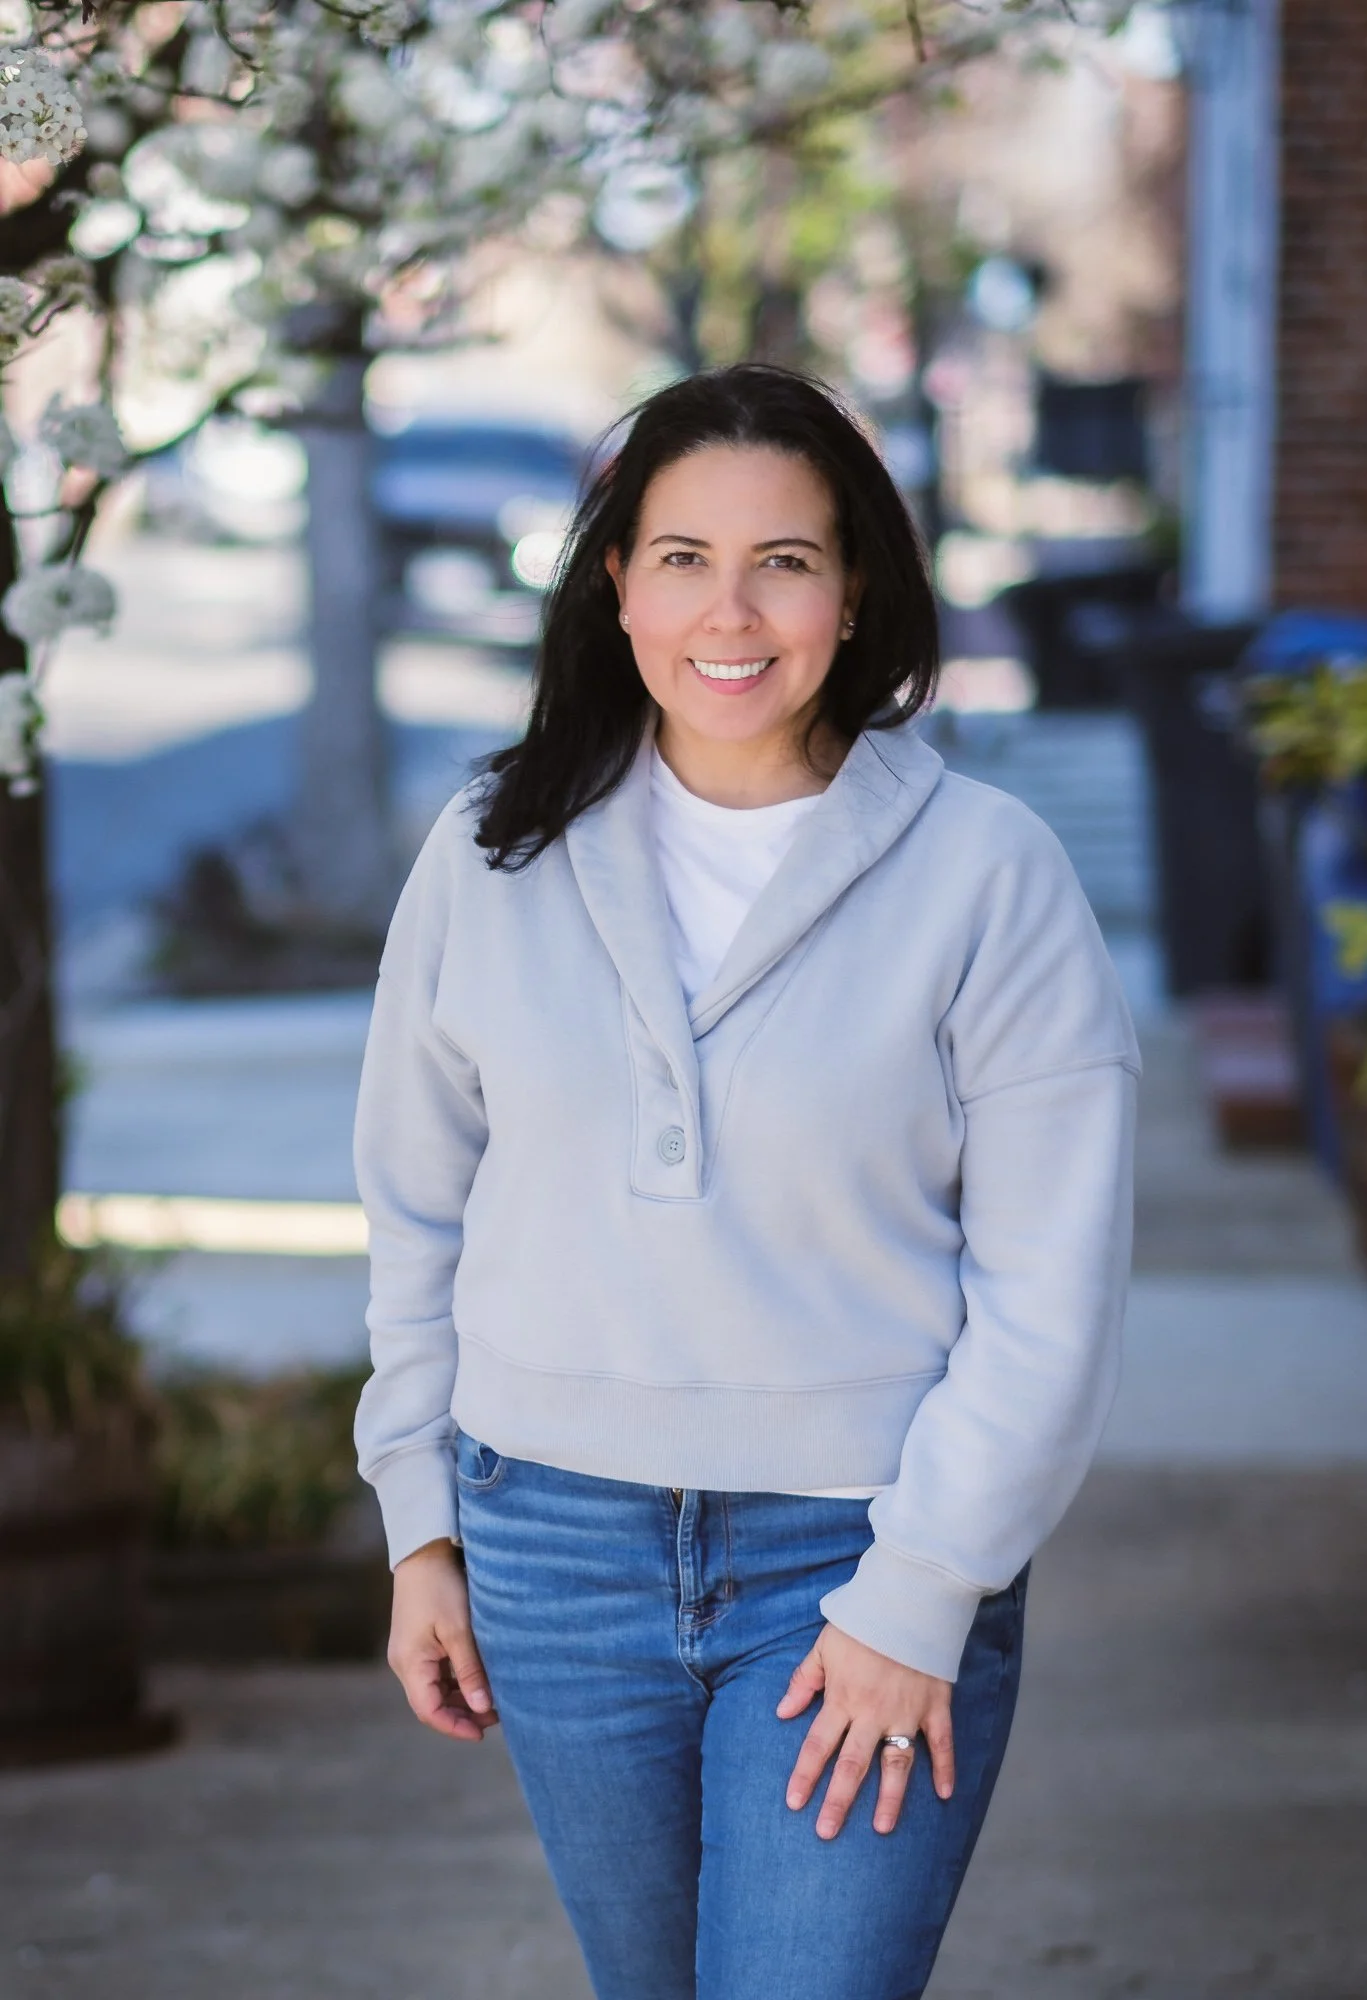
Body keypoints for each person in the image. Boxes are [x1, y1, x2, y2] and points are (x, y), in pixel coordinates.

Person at [353, 363, 1139, 2000]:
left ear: (855, 595)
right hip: (548, 1544)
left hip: (855, 1552)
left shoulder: (989, 876)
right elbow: (417, 1207)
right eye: (682, 557)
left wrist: (920, 1592)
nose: (734, 610)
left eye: (785, 559)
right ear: (617, 590)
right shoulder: (490, 850)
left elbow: (1049, 1292)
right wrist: (420, 1520)